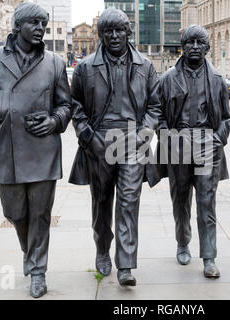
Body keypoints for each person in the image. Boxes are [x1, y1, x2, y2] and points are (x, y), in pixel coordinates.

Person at [0, 2, 72, 298]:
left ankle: (38, 271)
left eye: (44, 24)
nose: (40, 29)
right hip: (6, 148)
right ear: (18, 26)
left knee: (40, 213)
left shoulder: (54, 62)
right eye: (34, 24)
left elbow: (66, 105)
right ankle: (30, 252)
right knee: (15, 212)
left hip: (43, 148)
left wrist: (53, 121)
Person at [68, 8, 161, 286]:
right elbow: (75, 106)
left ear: (128, 32)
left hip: (133, 142)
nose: (114, 36)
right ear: (101, 35)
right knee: (102, 202)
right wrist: (88, 136)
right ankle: (102, 249)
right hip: (99, 142)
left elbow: (155, 105)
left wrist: (145, 132)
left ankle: (126, 265)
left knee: (129, 201)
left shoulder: (145, 65)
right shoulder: (85, 68)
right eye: (108, 31)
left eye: (119, 30)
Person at [155, 25, 230, 278]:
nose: (195, 47)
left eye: (200, 43)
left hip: (207, 145)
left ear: (208, 48)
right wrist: (167, 137)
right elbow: (157, 114)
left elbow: (227, 119)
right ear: (182, 47)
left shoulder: (218, 80)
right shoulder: (167, 79)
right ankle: (182, 242)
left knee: (206, 203)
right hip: (178, 143)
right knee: (180, 200)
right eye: (190, 42)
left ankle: (209, 256)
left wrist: (217, 140)